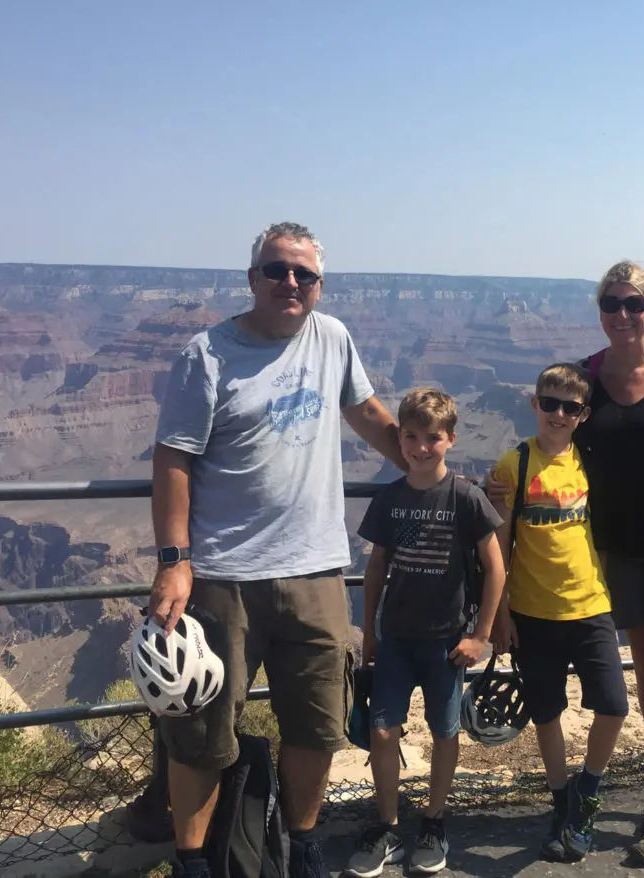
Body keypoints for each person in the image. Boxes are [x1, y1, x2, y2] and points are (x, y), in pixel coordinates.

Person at [148, 222, 410, 878]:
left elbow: (369, 414)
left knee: (317, 727)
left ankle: (301, 844)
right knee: (203, 732)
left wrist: (436, 473)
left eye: (304, 274)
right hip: (223, 578)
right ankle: (193, 861)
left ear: (319, 284)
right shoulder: (206, 354)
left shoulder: (333, 338)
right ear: (252, 278)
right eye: (276, 270)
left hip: (318, 571)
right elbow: (173, 458)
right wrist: (174, 560)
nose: (290, 282)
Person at [486, 259, 644, 865]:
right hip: (613, 546)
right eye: (611, 304)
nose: (621, 314)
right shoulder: (588, 378)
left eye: (633, 304)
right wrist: (494, 493)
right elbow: (556, 442)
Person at [347, 388, 505, 877]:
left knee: (444, 731)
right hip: (395, 637)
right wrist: (369, 632)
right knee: (381, 729)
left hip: (446, 643)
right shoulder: (391, 499)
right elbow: (377, 568)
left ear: (450, 439)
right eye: (410, 437)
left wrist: (480, 636)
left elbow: (495, 569)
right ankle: (388, 825)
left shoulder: (465, 497)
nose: (419, 447)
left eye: (431, 438)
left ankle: (434, 821)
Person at [489, 363, 629, 862]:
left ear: (583, 414)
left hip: (591, 606)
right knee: (547, 712)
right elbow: (499, 548)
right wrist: (500, 615)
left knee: (613, 704)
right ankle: (559, 800)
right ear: (534, 405)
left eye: (570, 407)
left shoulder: (588, 463)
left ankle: (586, 791)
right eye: (550, 403)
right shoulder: (513, 466)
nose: (559, 414)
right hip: (532, 612)